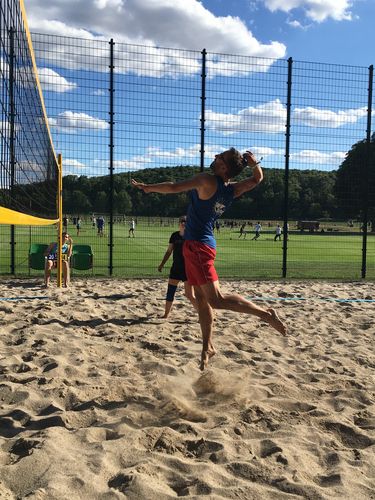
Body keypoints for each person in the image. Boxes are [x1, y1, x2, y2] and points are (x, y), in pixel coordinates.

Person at [132, 148, 287, 370]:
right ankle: (207, 347)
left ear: (224, 167)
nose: (214, 157)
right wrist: (253, 164)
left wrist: (148, 188)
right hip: (195, 246)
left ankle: (265, 314)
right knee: (200, 299)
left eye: (219, 157)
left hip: (198, 248)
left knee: (216, 299)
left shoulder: (207, 180)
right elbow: (257, 179)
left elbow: (174, 187)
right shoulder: (231, 190)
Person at [158, 216, 197, 318]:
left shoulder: (191, 236)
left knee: (189, 295)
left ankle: (204, 314)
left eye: (186, 222)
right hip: (176, 267)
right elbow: (169, 251)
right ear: (179, 223)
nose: (184, 223)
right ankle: (166, 314)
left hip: (187, 269)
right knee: (170, 292)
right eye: (182, 221)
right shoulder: (174, 235)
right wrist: (162, 264)